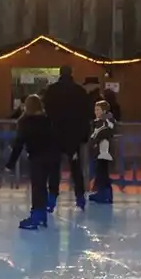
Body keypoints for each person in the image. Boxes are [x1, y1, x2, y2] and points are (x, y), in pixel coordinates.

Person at [42, 65, 93, 210]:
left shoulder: (52, 91)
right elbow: (86, 115)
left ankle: (52, 198)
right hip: (74, 136)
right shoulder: (79, 91)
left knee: (54, 167)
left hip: (55, 135)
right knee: (76, 168)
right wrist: (83, 136)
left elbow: (46, 112)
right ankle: (80, 197)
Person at [4, 94, 55, 229]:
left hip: (37, 157)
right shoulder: (47, 119)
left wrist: (10, 163)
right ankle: (42, 215)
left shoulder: (25, 122)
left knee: (37, 187)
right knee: (43, 186)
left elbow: (19, 143)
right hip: (51, 156)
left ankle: (36, 217)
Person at [88, 99, 116, 204]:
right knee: (101, 174)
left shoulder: (106, 121)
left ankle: (105, 195)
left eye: (98, 109)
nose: (96, 112)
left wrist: (94, 140)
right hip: (100, 152)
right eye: (95, 109)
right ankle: (103, 193)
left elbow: (101, 133)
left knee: (102, 174)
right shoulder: (99, 122)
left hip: (104, 152)